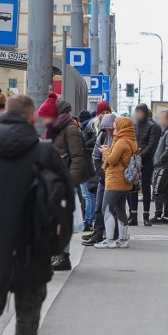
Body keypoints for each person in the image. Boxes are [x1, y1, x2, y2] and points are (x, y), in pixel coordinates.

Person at [0, 95, 73, 335]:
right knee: (28, 319)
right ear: (33, 118)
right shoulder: (46, 153)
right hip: (34, 249)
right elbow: (66, 205)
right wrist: (56, 247)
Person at [37, 92, 85, 272]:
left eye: (45, 117)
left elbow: (78, 159)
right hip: (55, 182)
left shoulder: (70, 130)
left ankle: (63, 257)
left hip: (65, 183)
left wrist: (70, 184)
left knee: (63, 220)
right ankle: (57, 254)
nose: (43, 121)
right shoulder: (57, 130)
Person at [95, 117, 139, 249]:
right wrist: (110, 149)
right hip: (125, 182)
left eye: (116, 125)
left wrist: (105, 151)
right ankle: (123, 239)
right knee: (120, 210)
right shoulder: (131, 140)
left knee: (106, 209)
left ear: (122, 126)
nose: (114, 128)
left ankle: (109, 240)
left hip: (115, 180)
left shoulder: (121, 142)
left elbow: (113, 160)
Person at [82, 114, 116, 246]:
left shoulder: (119, 138)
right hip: (104, 174)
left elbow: (113, 158)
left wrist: (106, 154)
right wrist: (100, 171)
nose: (109, 131)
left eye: (110, 128)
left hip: (115, 176)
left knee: (111, 207)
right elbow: (95, 154)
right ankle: (98, 232)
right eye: (106, 129)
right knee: (99, 205)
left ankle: (111, 234)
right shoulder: (102, 136)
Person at [128, 103, 161, 226]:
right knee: (133, 188)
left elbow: (151, 145)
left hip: (146, 161)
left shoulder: (152, 127)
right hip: (133, 161)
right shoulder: (134, 125)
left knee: (146, 188)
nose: (138, 115)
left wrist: (140, 157)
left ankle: (146, 216)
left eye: (140, 112)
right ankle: (133, 216)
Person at [151, 110, 168, 225]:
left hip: (164, 166)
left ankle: (158, 216)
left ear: (167, 120)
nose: (159, 120)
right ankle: (166, 216)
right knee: (165, 191)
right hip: (166, 166)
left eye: (161, 118)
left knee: (157, 190)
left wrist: (159, 160)